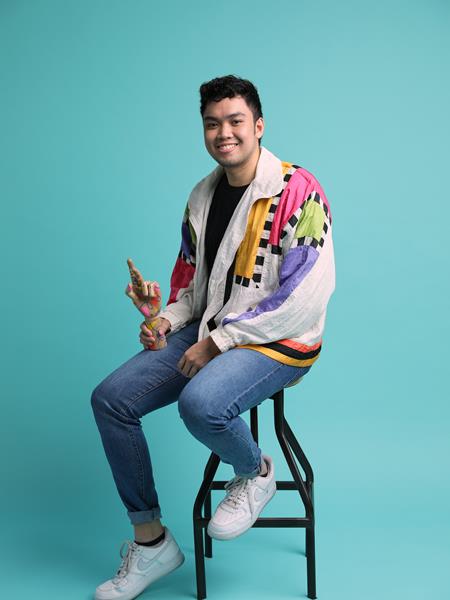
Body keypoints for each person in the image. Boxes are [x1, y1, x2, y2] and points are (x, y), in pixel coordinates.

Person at [91, 74, 335, 600]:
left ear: (258, 126)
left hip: (280, 342)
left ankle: (255, 471)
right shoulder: (201, 196)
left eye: (235, 121)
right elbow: (191, 287)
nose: (224, 132)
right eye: (212, 123)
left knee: (201, 405)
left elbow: (305, 300)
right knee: (111, 400)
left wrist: (219, 344)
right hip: (210, 330)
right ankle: (151, 541)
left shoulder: (299, 191)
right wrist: (163, 319)